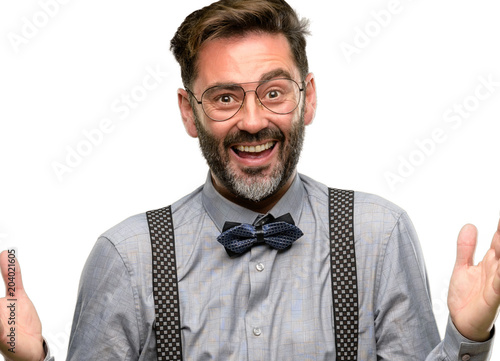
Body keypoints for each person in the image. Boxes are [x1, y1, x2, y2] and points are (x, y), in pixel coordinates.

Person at [1, 0, 499, 359]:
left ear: (308, 98)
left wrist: (465, 337)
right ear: (188, 112)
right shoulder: (127, 256)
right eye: (224, 98)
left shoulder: (379, 235)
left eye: (274, 92)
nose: (254, 121)